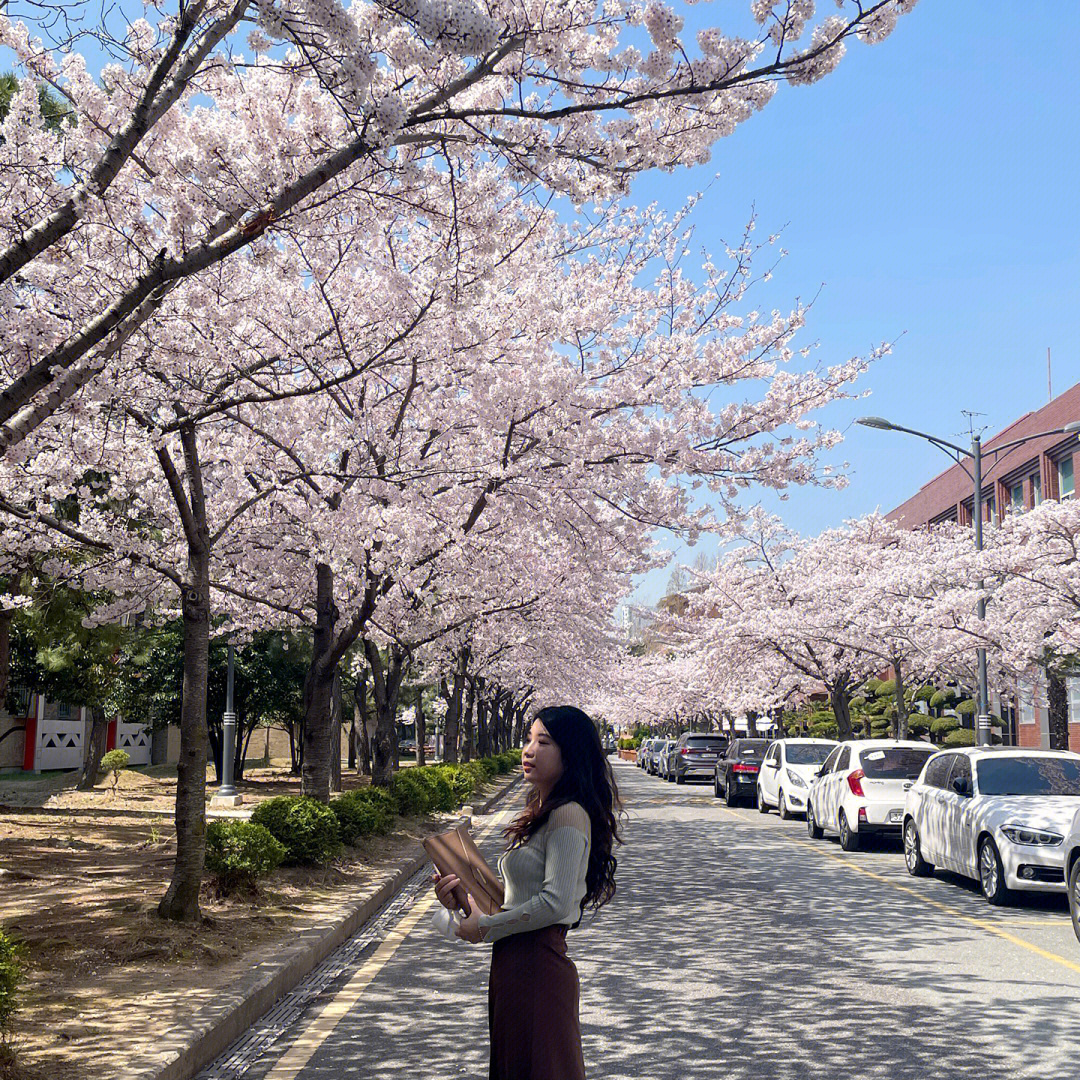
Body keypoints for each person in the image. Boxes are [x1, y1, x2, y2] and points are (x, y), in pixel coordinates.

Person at [432, 705, 623, 1080]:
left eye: (543, 742)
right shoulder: (543, 810)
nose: (528, 750)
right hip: (514, 964)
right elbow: (518, 898)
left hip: (538, 966)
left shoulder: (569, 815)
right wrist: (459, 900)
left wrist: (485, 928)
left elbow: (554, 903)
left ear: (570, 753)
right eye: (528, 739)